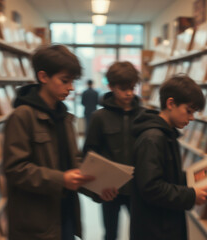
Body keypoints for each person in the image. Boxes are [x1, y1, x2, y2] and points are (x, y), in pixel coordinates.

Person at [3, 44, 117, 240]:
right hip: (36, 223)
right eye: (65, 81)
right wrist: (61, 179)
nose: (71, 87)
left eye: (72, 81)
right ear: (43, 77)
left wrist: (98, 190)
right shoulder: (22, 116)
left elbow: (74, 165)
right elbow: (15, 170)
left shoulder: (64, 118)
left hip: (65, 215)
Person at [130, 75, 207, 240]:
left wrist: (203, 183)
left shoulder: (166, 134)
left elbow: (169, 177)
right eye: (189, 111)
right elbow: (151, 188)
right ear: (171, 103)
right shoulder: (153, 138)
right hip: (155, 229)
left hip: (165, 223)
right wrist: (191, 195)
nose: (191, 118)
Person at [83, 61, 143, 240]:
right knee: (110, 234)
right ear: (110, 86)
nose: (129, 93)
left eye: (132, 88)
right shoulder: (99, 118)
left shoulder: (144, 116)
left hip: (138, 190)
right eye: (123, 88)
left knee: (142, 233)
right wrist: (99, 187)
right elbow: (89, 154)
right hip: (110, 190)